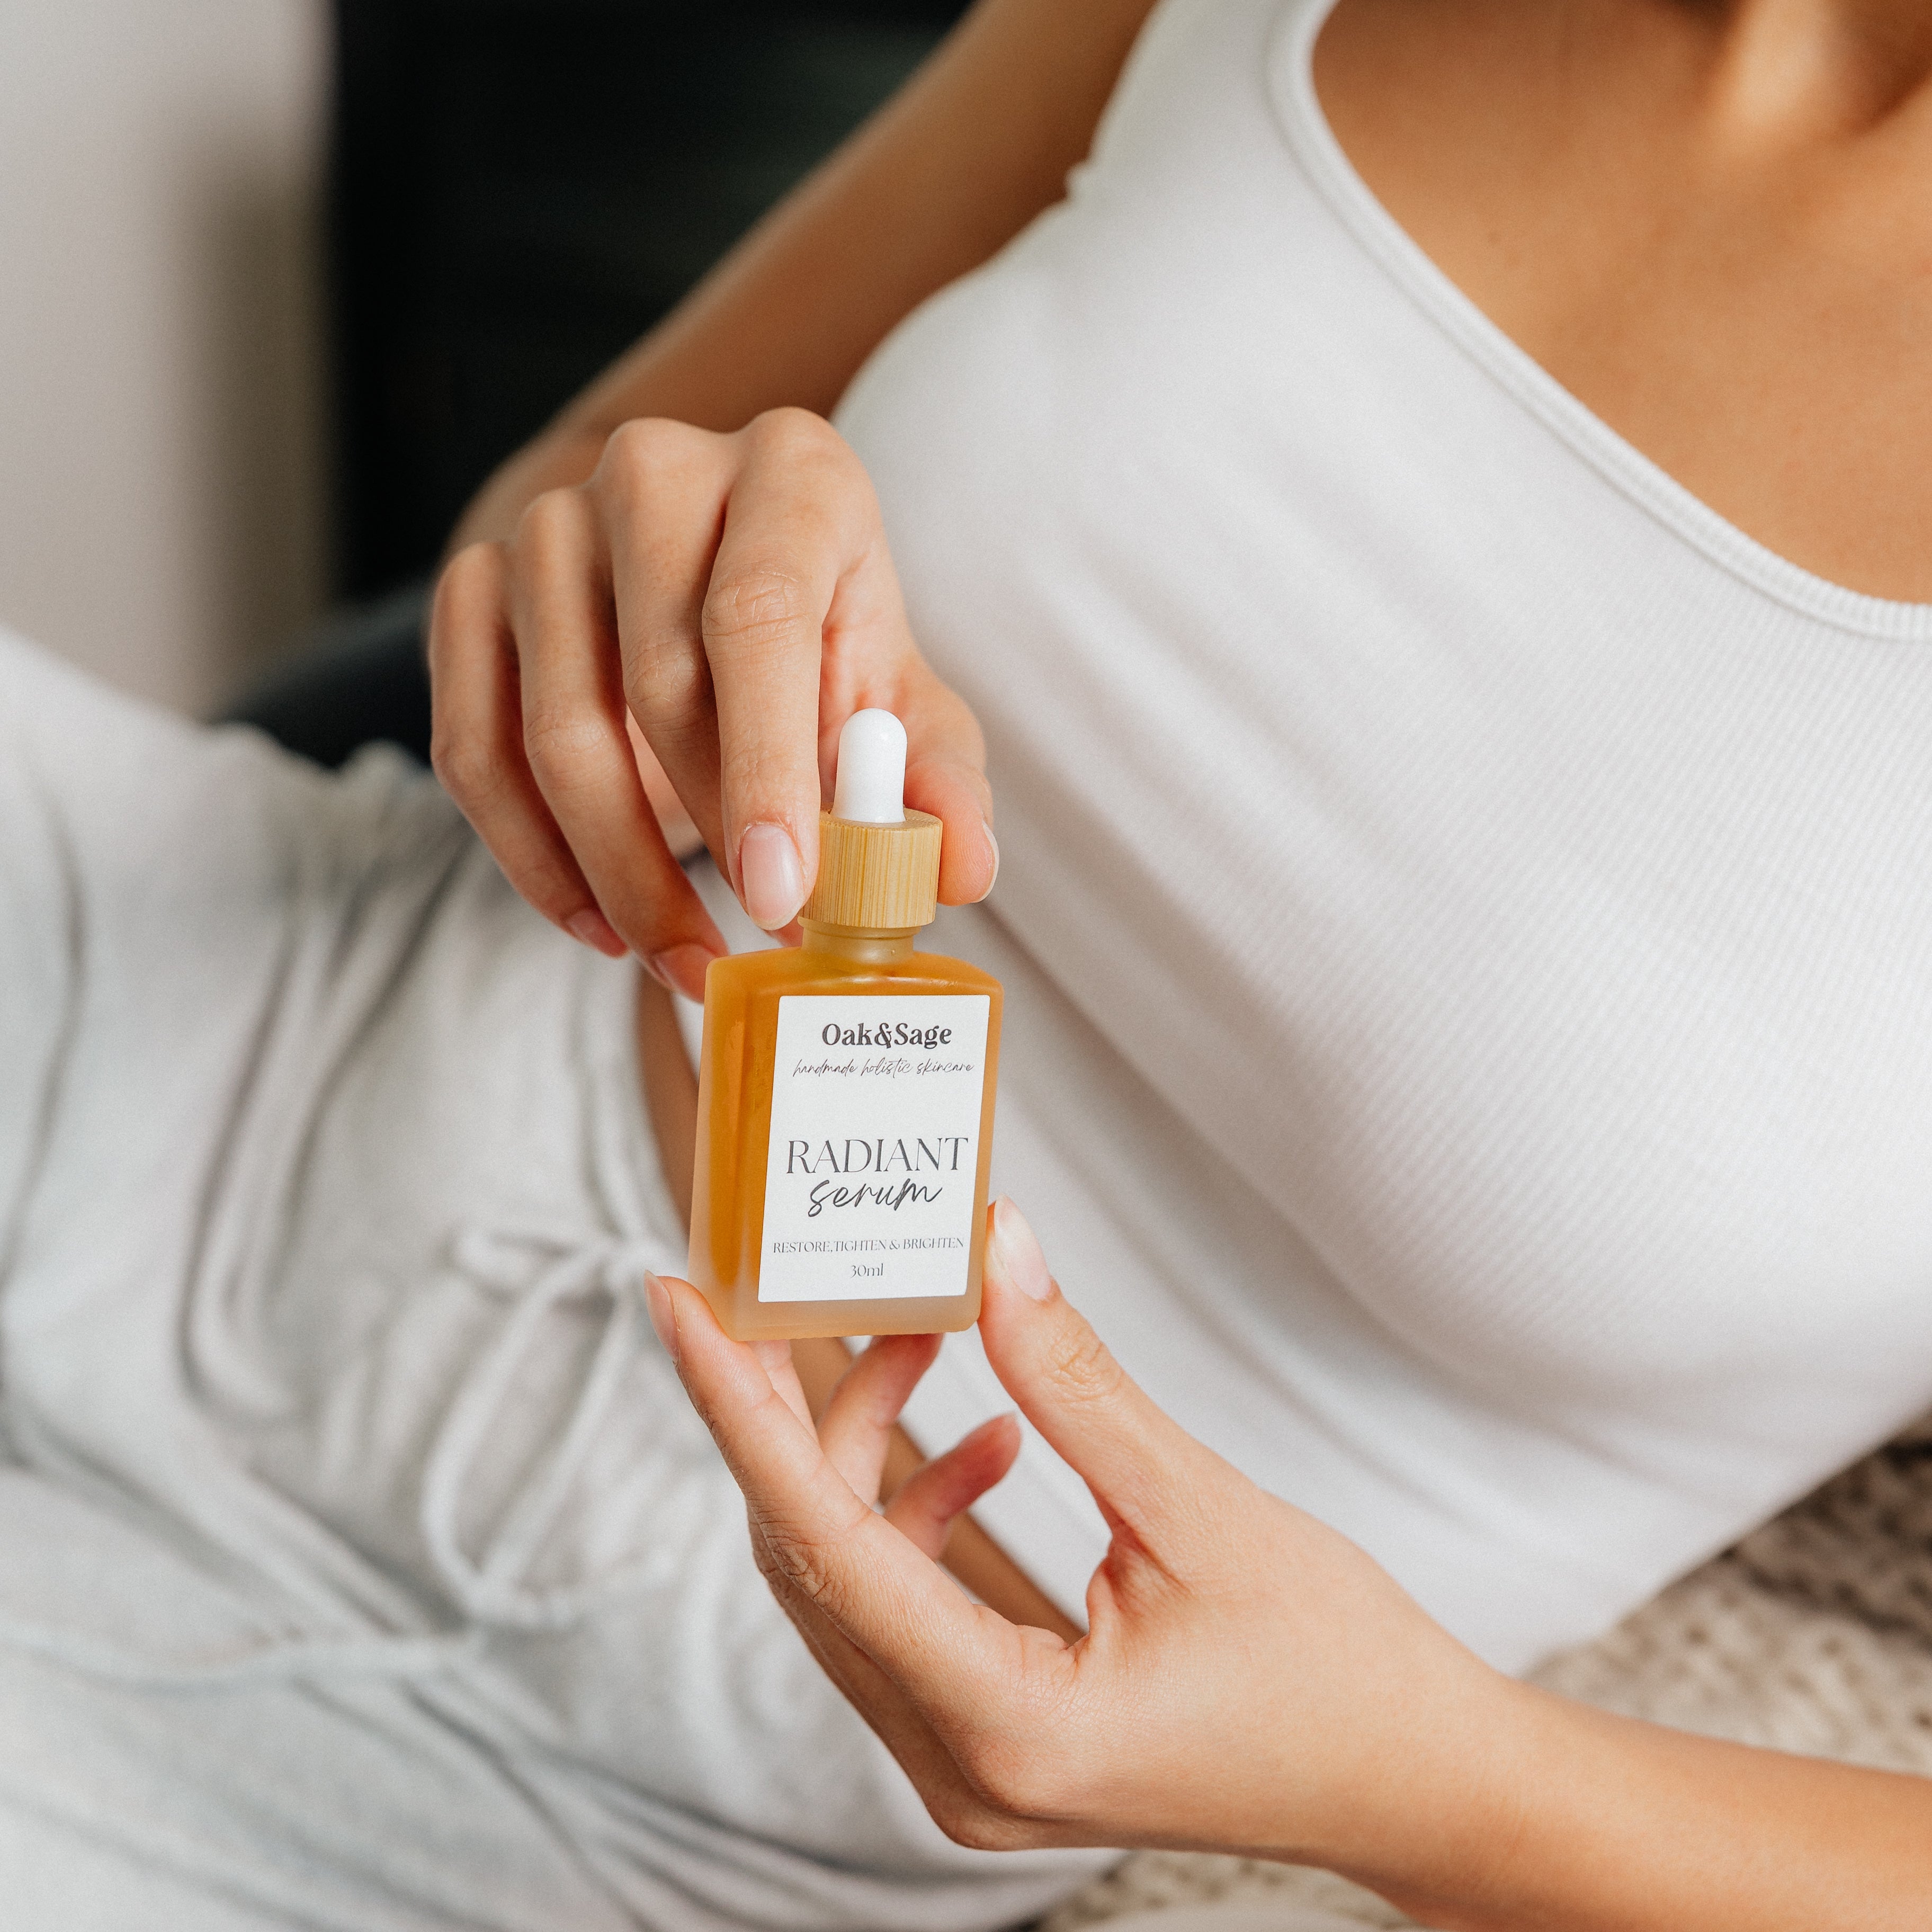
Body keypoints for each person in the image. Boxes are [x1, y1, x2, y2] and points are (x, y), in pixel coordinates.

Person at [4, 0, 1930, 1926]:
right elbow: (571, 487)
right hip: (230, 1016)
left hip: (638, 1761)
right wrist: (637, 584)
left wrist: (1422, 1773)